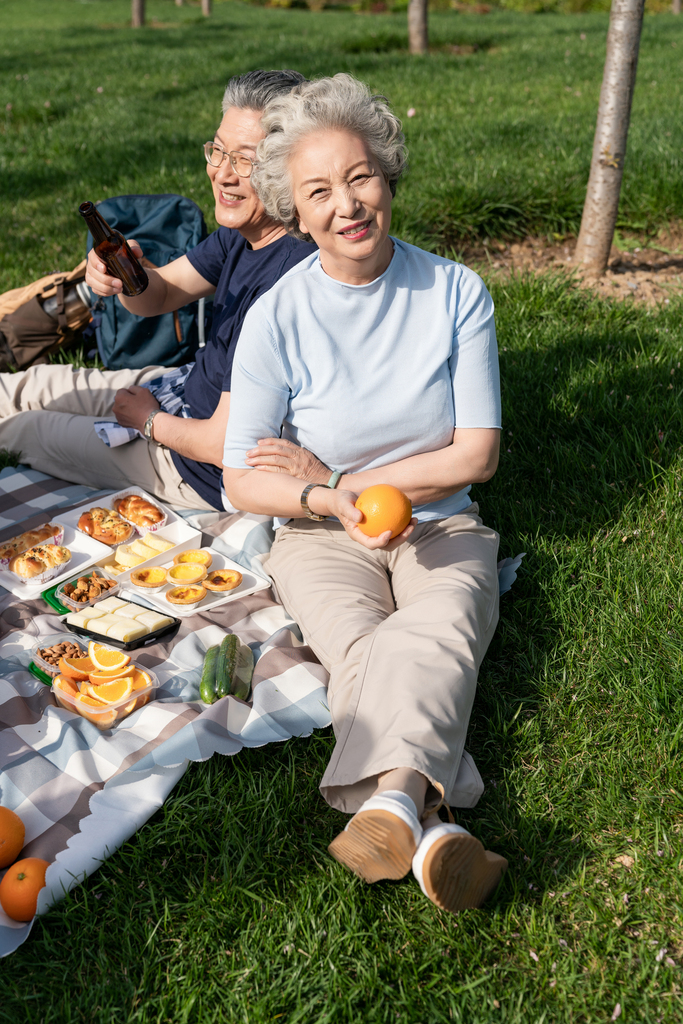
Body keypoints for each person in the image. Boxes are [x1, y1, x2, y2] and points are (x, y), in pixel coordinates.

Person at [222, 74, 508, 913]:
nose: (346, 203)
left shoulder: (455, 291)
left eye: (360, 178)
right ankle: (429, 825)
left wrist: (341, 479)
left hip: (438, 517)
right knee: (358, 644)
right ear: (297, 213)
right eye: (319, 192)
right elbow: (244, 477)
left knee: (442, 616)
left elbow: (476, 455)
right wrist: (322, 505)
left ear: (388, 178)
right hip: (318, 535)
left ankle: (390, 807)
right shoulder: (276, 316)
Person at [0, 70, 318, 511]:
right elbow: (161, 296)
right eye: (218, 151)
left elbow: (228, 443)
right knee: (25, 386)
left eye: (246, 160)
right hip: (180, 388)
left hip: (195, 466)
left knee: (23, 429)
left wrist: (149, 422)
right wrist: (128, 274)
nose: (222, 174)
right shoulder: (248, 229)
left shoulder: (289, 282)